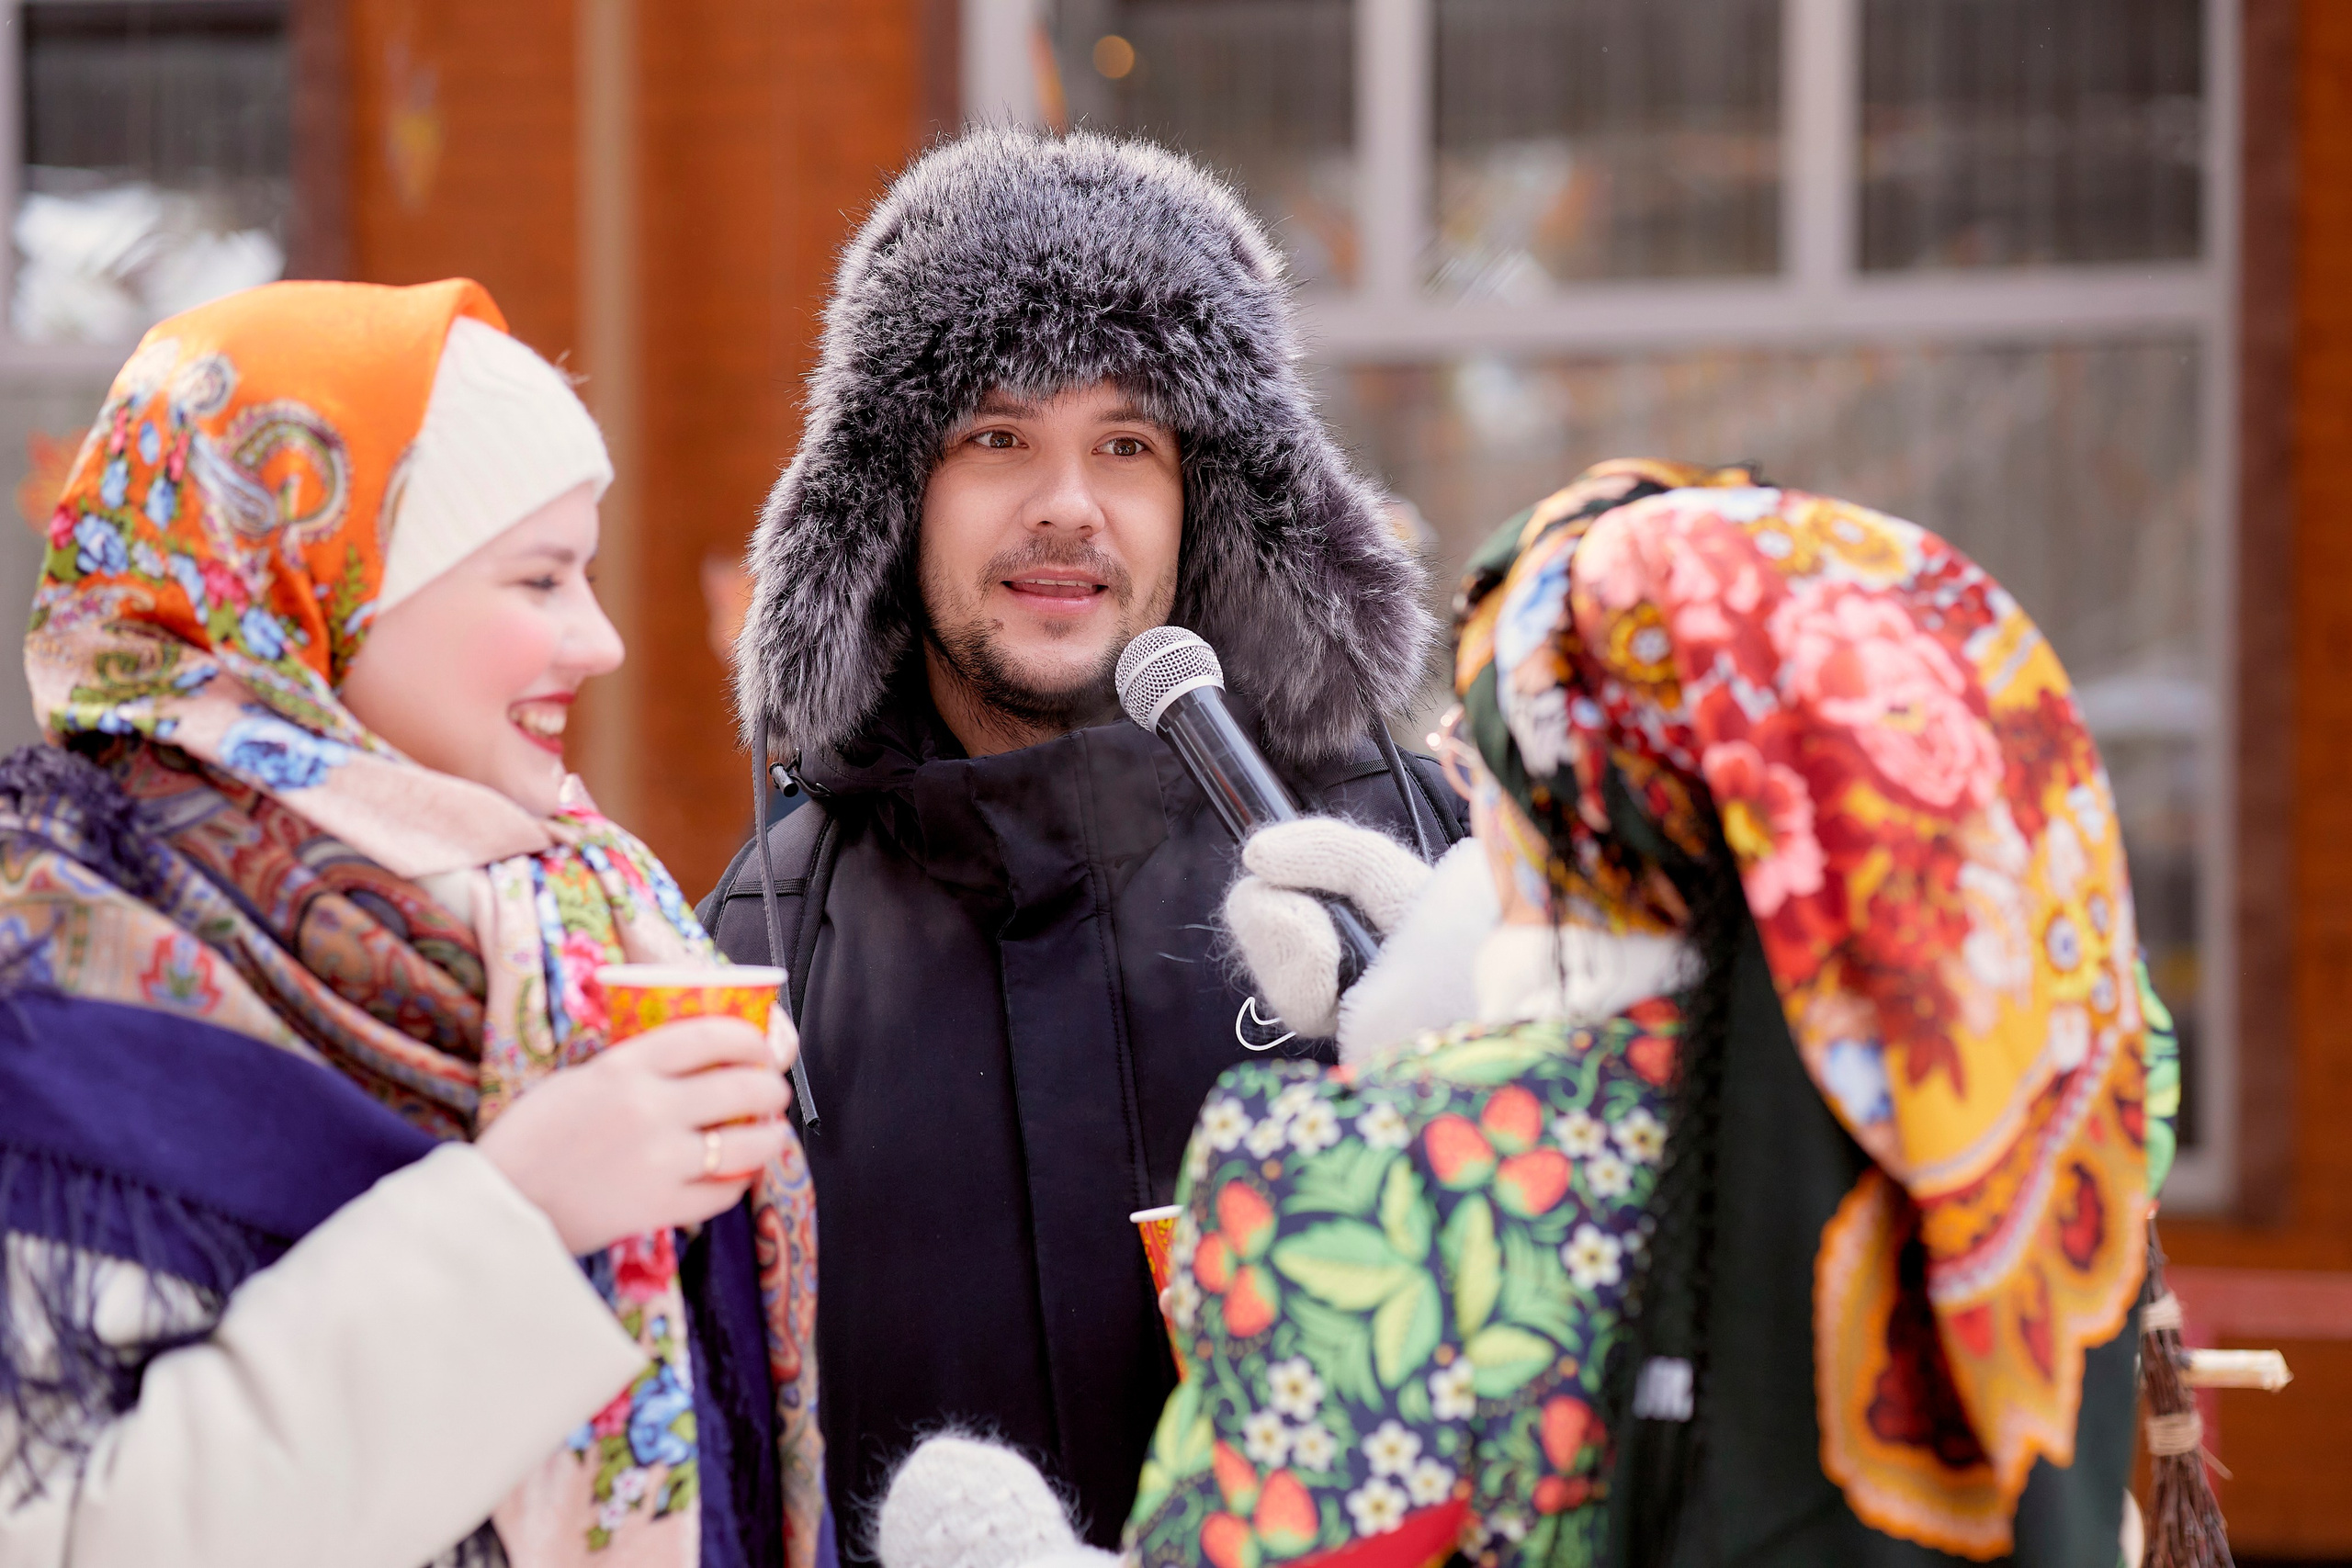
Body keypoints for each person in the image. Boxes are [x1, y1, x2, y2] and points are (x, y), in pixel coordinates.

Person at [873, 460, 2174, 1567]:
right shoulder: (2063, 1114)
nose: (1451, 767)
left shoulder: (1375, 1184)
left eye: (1484, 753)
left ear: (1575, 804)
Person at [698, 128, 1461, 1551]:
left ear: (1210, 499)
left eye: (1127, 443)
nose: (1067, 503)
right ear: (884, 500)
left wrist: (1485, 1047)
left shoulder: (1397, 866)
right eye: (997, 439)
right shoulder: (761, 944)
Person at [0, 278, 823, 1568]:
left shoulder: (589, 909)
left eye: (587, 574)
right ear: (313, 592)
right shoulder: (59, 942)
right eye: (539, 577)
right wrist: (523, 1214)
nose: (599, 640)